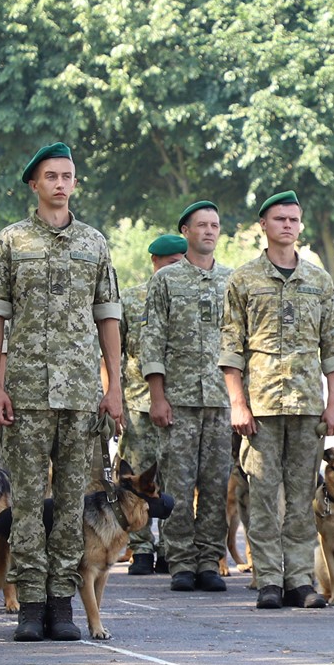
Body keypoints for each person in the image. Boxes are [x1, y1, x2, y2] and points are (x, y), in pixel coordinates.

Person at [0, 142, 126, 641]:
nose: (61, 184)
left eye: (68, 176)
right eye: (51, 176)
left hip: (82, 392)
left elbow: (108, 316)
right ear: (34, 185)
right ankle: (30, 604)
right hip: (25, 392)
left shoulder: (95, 243)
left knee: (70, 502)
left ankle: (61, 604)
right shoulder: (11, 242)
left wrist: (115, 388)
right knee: (25, 500)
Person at [219, 190, 334, 610]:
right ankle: (269, 578)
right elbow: (231, 348)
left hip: (308, 404)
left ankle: (300, 579)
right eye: (279, 219)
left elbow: (332, 346)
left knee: (302, 496)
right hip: (262, 407)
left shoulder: (319, 280)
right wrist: (237, 402)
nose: (287, 226)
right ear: (264, 225)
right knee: (260, 494)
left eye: (294, 219)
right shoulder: (243, 280)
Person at [145, 201, 234, 593]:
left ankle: (209, 558)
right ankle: (180, 559)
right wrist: (157, 395)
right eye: (202, 225)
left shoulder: (234, 281)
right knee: (178, 483)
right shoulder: (166, 281)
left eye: (215, 225)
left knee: (217, 483)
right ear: (186, 231)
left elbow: (241, 343)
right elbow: (153, 340)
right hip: (178, 398)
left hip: (221, 398)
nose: (210, 231)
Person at [120, 232, 184, 576]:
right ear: (154, 263)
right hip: (136, 402)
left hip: (178, 401)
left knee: (174, 478)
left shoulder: (186, 298)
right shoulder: (131, 300)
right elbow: (113, 353)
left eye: (180, 264)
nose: (175, 270)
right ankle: (141, 546)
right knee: (135, 477)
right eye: (170, 264)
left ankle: (170, 548)